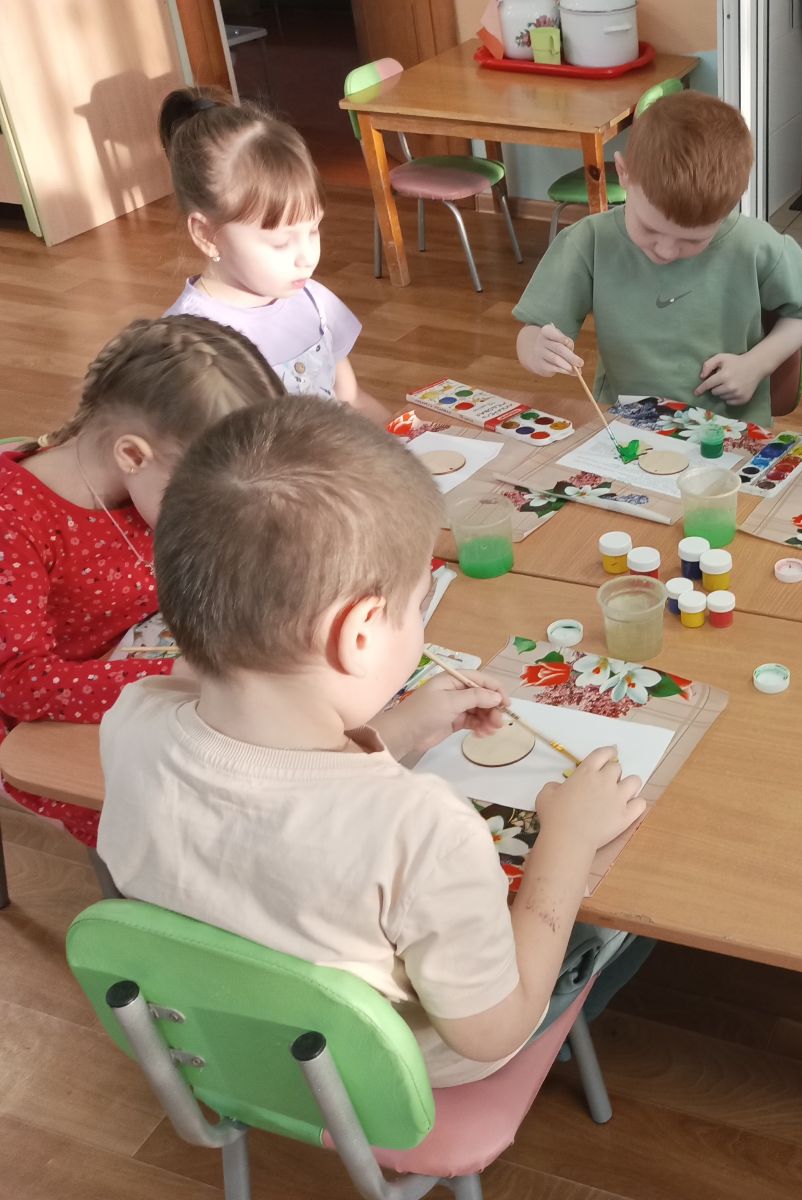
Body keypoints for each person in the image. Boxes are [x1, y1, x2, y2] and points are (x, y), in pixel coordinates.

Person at [98, 398, 648, 1085]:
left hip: (220, 1033)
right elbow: (491, 1032)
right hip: (392, 1067)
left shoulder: (133, 719)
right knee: (621, 916)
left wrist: (397, 731)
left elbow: (271, 804)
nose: (421, 620)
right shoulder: (425, 830)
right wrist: (567, 839)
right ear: (359, 635)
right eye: (418, 604)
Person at [0, 316, 280, 846]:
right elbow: (18, 683)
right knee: (181, 822)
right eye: (199, 498)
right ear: (132, 455)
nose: (209, 517)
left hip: (143, 665)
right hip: (44, 716)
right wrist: (179, 673)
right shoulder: (14, 517)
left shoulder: (145, 488)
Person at [514, 90, 802, 426]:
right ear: (624, 173)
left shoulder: (755, 244)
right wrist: (535, 349)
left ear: (731, 205)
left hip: (730, 432)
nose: (665, 251)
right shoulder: (588, 241)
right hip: (627, 427)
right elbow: (532, 333)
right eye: (649, 228)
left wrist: (758, 364)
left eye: (693, 240)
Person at [158, 88, 389, 425]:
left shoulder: (314, 302)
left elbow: (351, 399)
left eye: (313, 230)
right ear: (207, 234)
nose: (307, 257)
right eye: (281, 243)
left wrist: (405, 446)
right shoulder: (186, 348)